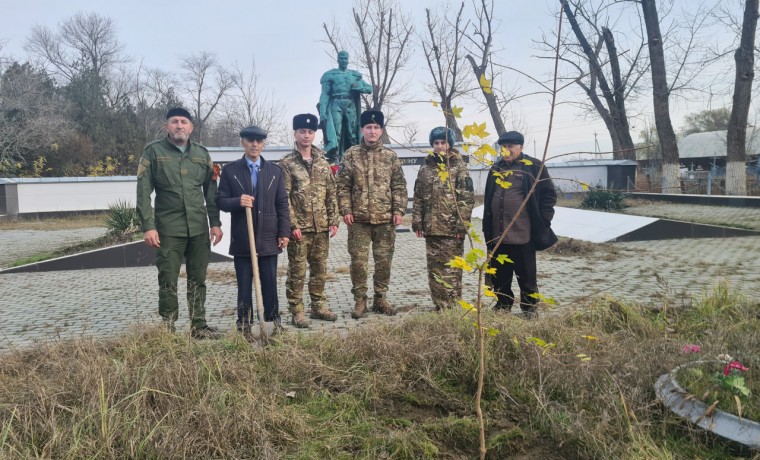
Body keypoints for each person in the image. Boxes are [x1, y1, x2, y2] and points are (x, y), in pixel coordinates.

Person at [136, 107, 223, 339]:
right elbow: (143, 193)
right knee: (168, 280)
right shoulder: (153, 152)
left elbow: (210, 192)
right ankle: (168, 328)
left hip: (198, 229)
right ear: (166, 126)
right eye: (174, 121)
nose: (179, 126)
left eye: (184, 122)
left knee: (198, 279)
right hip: (168, 230)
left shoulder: (202, 154)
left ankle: (199, 326)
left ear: (191, 127)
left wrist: (215, 223)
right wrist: (148, 226)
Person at [216, 125, 290, 334]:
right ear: (243, 142)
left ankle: (273, 322)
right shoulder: (231, 171)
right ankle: (244, 324)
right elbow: (220, 201)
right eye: (250, 141)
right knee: (244, 286)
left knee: (269, 283)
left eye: (258, 141)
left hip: (268, 238)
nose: (254, 145)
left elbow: (282, 204)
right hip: (243, 238)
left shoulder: (274, 172)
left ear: (263, 144)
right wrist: (237, 201)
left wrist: (284, 232)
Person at [337, 109, 407, 319]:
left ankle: (380, 299)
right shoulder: (351, 154)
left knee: (384, 261)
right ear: (362, 129)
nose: (372, 131)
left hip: (385, 219)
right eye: (369, 127)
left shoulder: (390, 157)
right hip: (358, 220)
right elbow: (342, 186)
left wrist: (399, 210)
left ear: (381, 130)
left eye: (376, 127)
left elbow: (399, 186)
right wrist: (346, 210)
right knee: (358, 262)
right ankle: (360, 301)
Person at [482, 131, 557, 318]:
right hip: (498, 235)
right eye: (503, 147)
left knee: (527, 278)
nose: (506, 151)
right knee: (500, 276)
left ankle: (529, 309)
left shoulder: (533, 167)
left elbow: (549, 195)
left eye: (511, 147)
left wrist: (544, 220)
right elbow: (489, 197)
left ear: (521, 147)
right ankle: (502, 306)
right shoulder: (496, 168)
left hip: (524, 235)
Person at [280, 114, 340, 328]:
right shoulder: (287, 164)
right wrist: (292, 225)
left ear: (315, 134)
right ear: (295, 133)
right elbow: (284, 197)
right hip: (300, 230)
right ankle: (297, 311)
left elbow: (331, 193)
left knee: (319, 270)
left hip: (321, 227)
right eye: (302, 131)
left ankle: (318, 306)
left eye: (310, 132)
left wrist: (334, 219)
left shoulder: (323, 163)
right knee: (297, 271)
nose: (306, 135)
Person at [412, 127, 475, 310]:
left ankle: (452, 306)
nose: (439, 146)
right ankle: (439, 305)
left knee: (452, 270)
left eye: (443, 142)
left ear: (450, 144)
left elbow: (466, 198)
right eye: (436, 143)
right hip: (431, 228)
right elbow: (418, 197)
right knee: (435, 270)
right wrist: (418, 222)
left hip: (451, 230)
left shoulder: (458, 166)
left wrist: (461, 226)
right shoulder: (425, 168)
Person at [318, 50, 373, 165]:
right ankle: (336, 160)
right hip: (336, 104)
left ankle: (353, 158)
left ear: (348, 60)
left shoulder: (354, 75)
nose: (343, 61)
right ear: (338, 60)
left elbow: (369, 88)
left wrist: (359, 86)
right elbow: (324, 95)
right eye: (341, 58)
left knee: (352, 134)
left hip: (350, 104)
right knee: (336, 132)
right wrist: (323, 112)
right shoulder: (330, 75)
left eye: (345, 59)